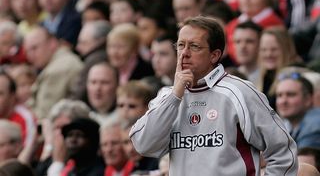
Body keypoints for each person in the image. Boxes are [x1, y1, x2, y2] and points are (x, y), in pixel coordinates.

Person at [130, 16, 298, 175]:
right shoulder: (168, 96)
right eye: (181, 45)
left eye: (194, 46)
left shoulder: (240, 91)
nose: (184, 53)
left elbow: (282, 152)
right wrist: (175, 96)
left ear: (214, 55)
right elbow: (143, 145)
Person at [23, 26, 83, 119]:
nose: (30, 55)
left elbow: (43, 115)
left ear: (52, 43)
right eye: (27, 51)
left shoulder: (57, 69)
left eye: (34, 48)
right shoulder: (63, 60)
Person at [275, 72, 320, 149]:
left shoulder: (315, 124)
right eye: (279, 95)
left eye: (290, 95)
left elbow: (303, 160)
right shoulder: (284, 124)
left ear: (308, 100)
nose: (283, 101)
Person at [233, 21, 262, 87]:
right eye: (238, 41)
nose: (242, 46)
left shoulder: (270, 78)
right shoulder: (229, 77)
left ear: (260, 44)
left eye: (249, 41)